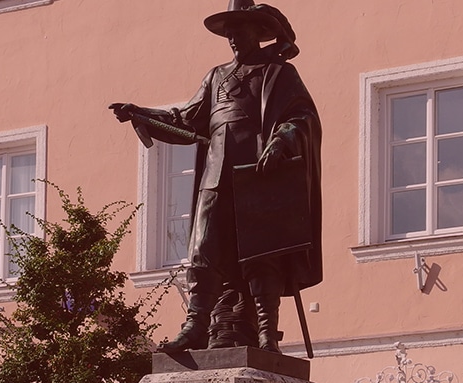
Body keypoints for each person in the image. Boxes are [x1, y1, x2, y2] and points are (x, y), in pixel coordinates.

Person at [111, 0, 322, 353]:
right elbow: (184, 119)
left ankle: (267, 332)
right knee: (203, 248)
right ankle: (196, 326)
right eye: (229, 33)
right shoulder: (216, 76)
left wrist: (281, 141)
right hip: (216, 174)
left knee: (262, 252)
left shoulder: (279, 73)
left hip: (258, 173)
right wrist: (141, 114)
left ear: (257, 31)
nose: (233, 38)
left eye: (239, 30)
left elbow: (302, 116)